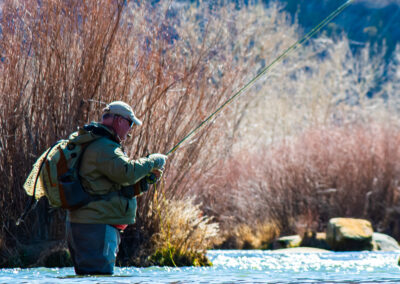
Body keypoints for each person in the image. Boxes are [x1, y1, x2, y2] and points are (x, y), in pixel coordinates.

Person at [66, 101, 167, 275]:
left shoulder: (99, 144)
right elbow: (127, 172)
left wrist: (144, 181)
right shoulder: (104, 148)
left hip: (89, 225)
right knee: (99, 277)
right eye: (130, 124)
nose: (130, 131)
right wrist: (153, 161)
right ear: (119, 121)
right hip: (96, 227)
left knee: (91, 276)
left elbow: (116, 187)